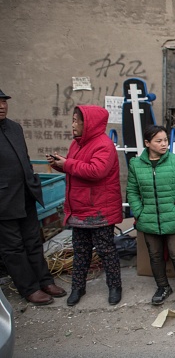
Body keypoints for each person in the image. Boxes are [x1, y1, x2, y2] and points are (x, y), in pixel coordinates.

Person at [47, 105, 123, 306]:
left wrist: (67, 164)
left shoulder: (103, 145)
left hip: (99, 210)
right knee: (81, 251)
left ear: (87, 123)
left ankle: (115, 287)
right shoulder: (77, 144)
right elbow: (76, 169)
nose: (72, 125)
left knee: (106, 251)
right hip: (80, 210)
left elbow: (95, 171)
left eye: (75, 120)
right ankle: (77, 288)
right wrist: (59, 164)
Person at [0, 89, 67, 305]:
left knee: (33, 241)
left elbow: (24, 158)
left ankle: (45, 281)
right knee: (13, 247)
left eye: (4, 102)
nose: (2, 106)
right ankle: (28, 288)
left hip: (25, 195)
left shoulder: (14, 128)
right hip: (3, 201)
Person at [126, 125, 175, 313]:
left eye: (165, 140)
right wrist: (138, 212)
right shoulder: (136, 165)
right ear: (147, 143)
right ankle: (163, 287)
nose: (164, 144)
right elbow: (132, 191)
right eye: (159, 141)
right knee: (155, 256)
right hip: (148, 219)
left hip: (173, 217)